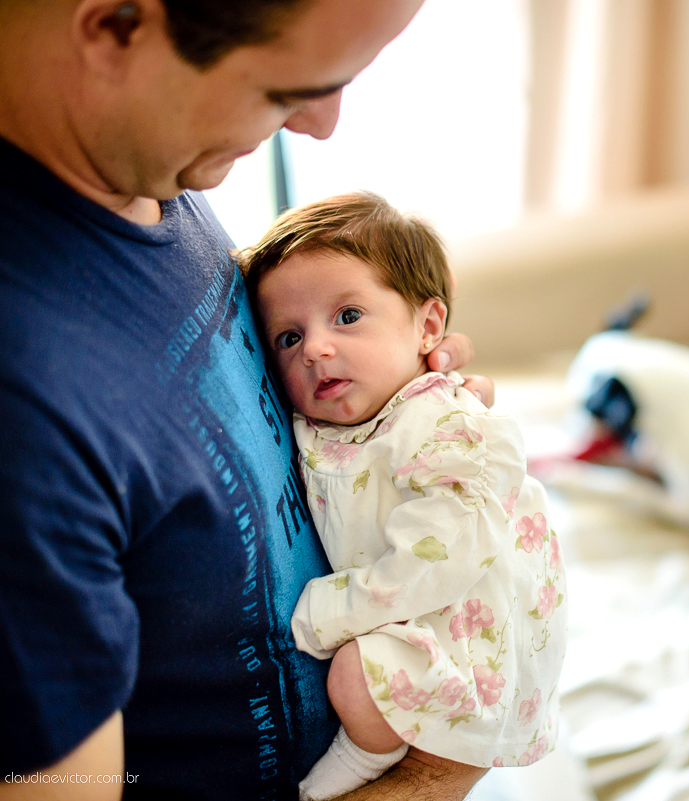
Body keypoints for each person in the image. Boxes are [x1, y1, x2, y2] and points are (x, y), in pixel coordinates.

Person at [0, 0, 493, 798]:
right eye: (281, 89)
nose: (323, 124)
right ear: (115, 26)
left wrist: (401, 407)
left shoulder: (149, 168)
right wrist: (442, 764)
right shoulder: (25, 400)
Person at [241, 192, 567, 800]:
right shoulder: (336, 421)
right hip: (417, 617)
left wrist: (327, 612)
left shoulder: (441, 424)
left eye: (346, 317)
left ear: (429, 327)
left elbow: (439, 559)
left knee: (358, 676)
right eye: (288, 337)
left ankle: (362, 759)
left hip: (468, 644)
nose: (314, 348)